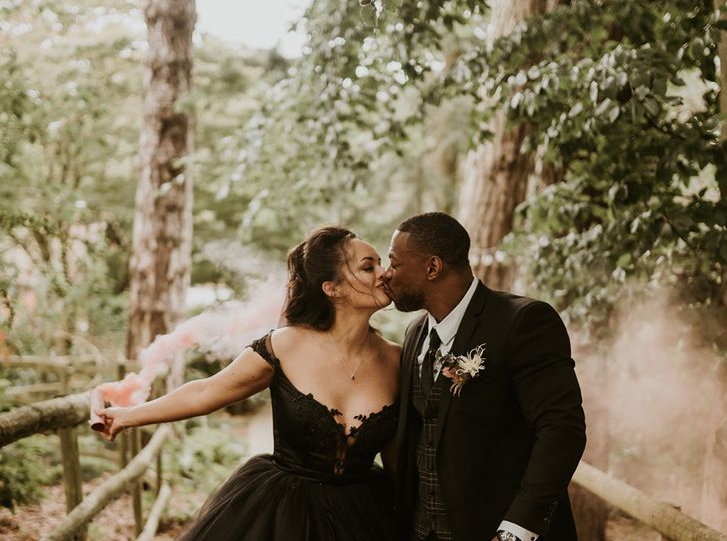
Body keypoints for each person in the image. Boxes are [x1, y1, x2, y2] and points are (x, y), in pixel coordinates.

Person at [96, 226, 401, 540]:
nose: (384, 273)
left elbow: (397, 460)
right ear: (332, 288)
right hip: (282, 516)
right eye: (369, 266)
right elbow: (205, 392)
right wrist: (123, 416)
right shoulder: (284, 346)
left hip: (365, 519)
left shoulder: (397, 360)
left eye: (381, 263)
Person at [386, 212, 586, 541]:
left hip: (497, 531)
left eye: (394, 263)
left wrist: (516, 531)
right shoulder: (414, 334)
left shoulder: (523, 322)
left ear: (432, 267)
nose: (386, 273)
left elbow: (561, 430)